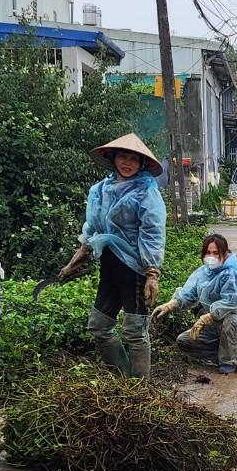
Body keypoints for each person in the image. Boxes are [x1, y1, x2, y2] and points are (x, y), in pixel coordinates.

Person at [56, 134, 166, 379]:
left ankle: (140, 392)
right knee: (99, 326)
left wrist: (152, 273)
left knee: (136, 330)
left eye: (133, 159)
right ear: (113, 159)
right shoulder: (100, 190)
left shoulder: (146, 193)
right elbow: (92, 230)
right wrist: (72, 264)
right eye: (123, 157)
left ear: (142, 164)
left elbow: (153, 232)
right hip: (109, 265)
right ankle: (124, 384)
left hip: (135, 269)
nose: (127, 163)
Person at [150, 234, 237, 374]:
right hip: (214, 327)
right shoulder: (203, 274)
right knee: (184, 341)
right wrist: (169, 305)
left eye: (216, 253)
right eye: (208, 252)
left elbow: (233, 302)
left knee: (231, 321)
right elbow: (190, 295)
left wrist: (209, 316)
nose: (211, 257)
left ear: (224, 255)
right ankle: (222, 354)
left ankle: (230, 360)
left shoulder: (229, 275)